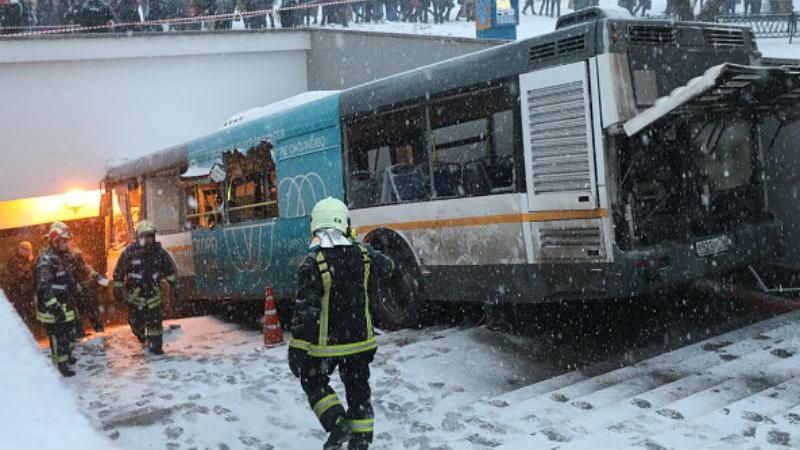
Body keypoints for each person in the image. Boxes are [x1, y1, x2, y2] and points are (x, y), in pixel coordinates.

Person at [288, 198, 394, 450]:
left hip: (328, 345)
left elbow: (306, 311)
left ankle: (337, 423)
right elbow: (389, 267)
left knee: (312, 381)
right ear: (345, 224)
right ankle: (361, 440)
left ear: (316, 226)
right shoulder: (364, 254)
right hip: (361, 341)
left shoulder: (313, 262)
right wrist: (360, 246)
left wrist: (298, 348)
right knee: (358, 391)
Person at [113, 220, 178, 355]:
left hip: (154, 297)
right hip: (135, 298)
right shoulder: (129, 253)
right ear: (139, 237)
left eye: (151, 236)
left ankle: (156, 347)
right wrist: (118, 288)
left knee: (155, 324)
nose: (148, 240)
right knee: (135, 324)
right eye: (145, 236)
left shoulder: (160, 253)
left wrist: (175, 286)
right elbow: (119, 272)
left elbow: (170, 271)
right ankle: (141, 335)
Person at [34, 222, 82, 377]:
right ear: (55, 241)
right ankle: (60, 365)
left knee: (69, 334)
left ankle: (67, 356)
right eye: (64, 241)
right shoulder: (46, 261)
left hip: (65, 304)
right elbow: (44, 288)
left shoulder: (62, 256)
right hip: (53, 309)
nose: (67, 244)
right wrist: (54, 307)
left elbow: (67, 278)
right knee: (58, 337)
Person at [65, 243, 107, 335]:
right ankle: (82, 331)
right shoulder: (68, 262)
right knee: (82, 311)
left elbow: (86, 267)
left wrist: (95, 275)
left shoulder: (76, 259)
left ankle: (94, 330)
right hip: (76, 290)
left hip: (82, 288)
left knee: (86, 310)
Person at [5, 241, 36, 325]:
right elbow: (21, 274)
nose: (27, 252)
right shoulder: (15, 260)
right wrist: (30, 265)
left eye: (29, 250)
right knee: (20, 315)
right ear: (20, 249)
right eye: (25, 249)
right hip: (18, 293)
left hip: (28, 293)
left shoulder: (28, 260)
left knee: (29, 313)